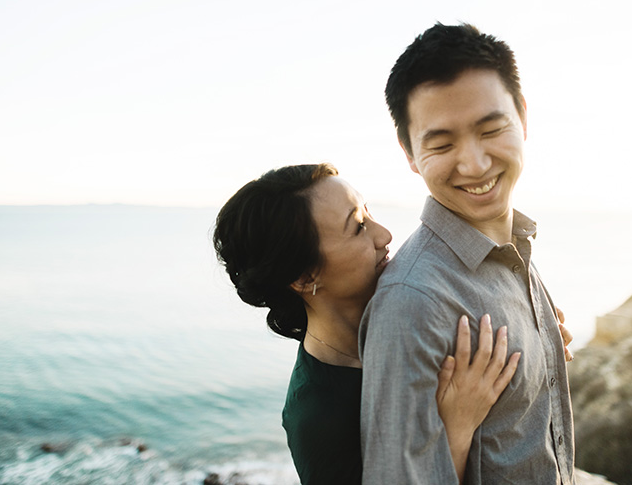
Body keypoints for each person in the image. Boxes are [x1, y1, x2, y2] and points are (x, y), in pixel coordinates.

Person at [359, 23, 576, 484]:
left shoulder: (514, 249)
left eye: (491, 128)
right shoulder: (412, 301)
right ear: (410, 152)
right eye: (441, 144)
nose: (474, 164)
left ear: (522, 115)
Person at [212, 163, 522, 485]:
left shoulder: (406, 319)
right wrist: (455, 430)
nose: (384, 235)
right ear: (305, 277)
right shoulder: (317, 419)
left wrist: (528, 319)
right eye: (359, 226)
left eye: (367, 212)